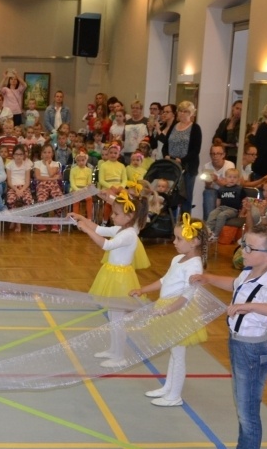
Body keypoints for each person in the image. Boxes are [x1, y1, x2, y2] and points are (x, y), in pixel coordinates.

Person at [191, 224, 267, 449]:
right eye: (243, 243)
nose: (243, 250)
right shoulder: (249, 274)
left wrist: (250, 307)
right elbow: (235, 284)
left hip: (252, 351)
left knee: (248, 410)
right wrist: (208, 278)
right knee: (243, 405)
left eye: (250, 247)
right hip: (238, 345)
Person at [130, 213, 209, 406]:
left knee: (178, 355)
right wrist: (143, 289)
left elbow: (186, 296)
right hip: (168, 307)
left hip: (179, 312)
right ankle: (168, 387)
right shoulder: (178, 259)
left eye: (179, 239)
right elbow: (164, 280)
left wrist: (167, 311)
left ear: (195, 242)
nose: (174, 242)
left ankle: (175, 396)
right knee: (174, 353)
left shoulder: (195, 266)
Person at [70, 188, 150, 368]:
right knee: (114, 317)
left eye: (116, 213)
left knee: (118, 320)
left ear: (128, 217)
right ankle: (114, 350)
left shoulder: (129, 234)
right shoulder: (122, 228)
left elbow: (106, 245)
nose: (112, 216)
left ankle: (120, 356)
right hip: (113, 274)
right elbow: (100, 229)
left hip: (120, 279)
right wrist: (82, 219)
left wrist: (86, 231)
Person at [163, 101, 202, 216]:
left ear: (191, 114)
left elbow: (196, 150)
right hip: (172, 166)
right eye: (180, 111)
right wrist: (166, 154)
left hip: (187, 168)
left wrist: (182, 160)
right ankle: (171, 224)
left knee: (186, 197)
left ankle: (185, 225)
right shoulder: (173, 126)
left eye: (186, 111)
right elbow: (166, 144)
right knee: (172, 196)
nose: (183, 113)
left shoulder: (195, 128)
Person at [34, 143, 65, 233]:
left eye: (49, 152)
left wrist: (47, 164)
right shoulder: (37, 163)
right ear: (41, 154)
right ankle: (38, 220)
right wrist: (52, 178)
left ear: (52, 154)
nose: (47, 154)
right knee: (41, 200)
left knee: (60, 199)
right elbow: (38, 177)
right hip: (42, 184)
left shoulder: (55, 164)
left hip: (53, 185)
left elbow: (51, 173)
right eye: (45, 152)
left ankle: (56, 220)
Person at [206, 168, 244, 239]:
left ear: (238, 179)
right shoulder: (222, 189)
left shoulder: (240, 189)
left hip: (233, 210)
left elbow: (245, 201)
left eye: (235, 177)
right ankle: (208, 232)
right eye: (230, 177)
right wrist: (217, 208)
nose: (232, 179)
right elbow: (218, 200)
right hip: (221, 207)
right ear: (225, 178)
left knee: (221, 216)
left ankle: (216, 235)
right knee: (212, 214)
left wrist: (241, 212)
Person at [201, 144, 235, 220]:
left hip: (227, 192)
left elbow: (228, 185)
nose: (215, 156)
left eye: (218, 154)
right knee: (208, 192)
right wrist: (208, 183)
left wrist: (216, 180)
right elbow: (207, 187)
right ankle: (208, 223)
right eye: (213, 154)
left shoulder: (229, 165)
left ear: (223, 155)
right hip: (213, 191)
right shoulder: (206, 166)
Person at [5, 145, 34, 232]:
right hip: (12, 187)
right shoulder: (9, 165)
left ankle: (17, 220)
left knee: (28, 201)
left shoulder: (27, 165)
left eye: (21, 154)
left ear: (24, 155)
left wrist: (21, 190)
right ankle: (17, 223)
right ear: (13, 155)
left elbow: (28, 181)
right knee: (11, 200)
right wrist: (16, 190)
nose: (18, 156)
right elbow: (9, 181)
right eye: (16, 154)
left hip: (24, 187)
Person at [69, 150, 95, 221]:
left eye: (83, 160)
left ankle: (89, 218)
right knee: (76, 199)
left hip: (85, 189)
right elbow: (72, 182)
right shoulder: (73, 170)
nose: (81, 162)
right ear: (76, 161)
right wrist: (78, 190)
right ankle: (75, 218)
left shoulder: (89, 170)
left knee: (89, 198)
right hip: (75, 188)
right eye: (78, 161)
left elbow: (89, 182)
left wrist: (85, 189)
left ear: (86, 160)